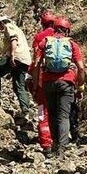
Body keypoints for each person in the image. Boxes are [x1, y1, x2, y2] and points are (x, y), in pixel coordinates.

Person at [32, 17, 85, 158]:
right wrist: (81, 87)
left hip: (48, 83)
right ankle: (61, 150)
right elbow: (80, 67)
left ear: (53, 29)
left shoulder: (44, 42)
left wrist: (37, 86)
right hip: (66, 82)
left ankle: (54, 145)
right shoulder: (72, 44)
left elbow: (36, 65)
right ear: (67, 30)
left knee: (52, 116)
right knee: (64, 116)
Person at [0, 16, 33, 122]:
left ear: (2, 23)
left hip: (15, 57)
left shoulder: (9, 26)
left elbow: (13, 40)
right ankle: (25, 109)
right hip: (25, 60)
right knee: (19, 86)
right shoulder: (18, 29)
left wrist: (12, 56)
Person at [29, 11, 57, 152]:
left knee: (42, 112)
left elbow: (35, 62)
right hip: (61, 80)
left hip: (42, 81)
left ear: (42, 23)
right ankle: (59, 141)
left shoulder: (39, 38)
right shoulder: (61, 36)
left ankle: (46, 143)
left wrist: (34, 86)